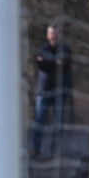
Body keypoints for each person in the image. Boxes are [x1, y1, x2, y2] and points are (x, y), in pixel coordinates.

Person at [31, 25, 74, 158]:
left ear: (59, 35)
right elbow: (41, 65)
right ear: (47, 35)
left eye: (56, 33)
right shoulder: (42, 49)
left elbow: (65, 65)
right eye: (51, 33)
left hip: (60, 91)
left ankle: (55, 150)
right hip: (44, 91)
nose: (54, 36)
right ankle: (35, 149)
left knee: (58, 122)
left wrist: (49, 62)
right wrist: (56, 63)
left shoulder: (66, 50)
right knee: (39, 121)